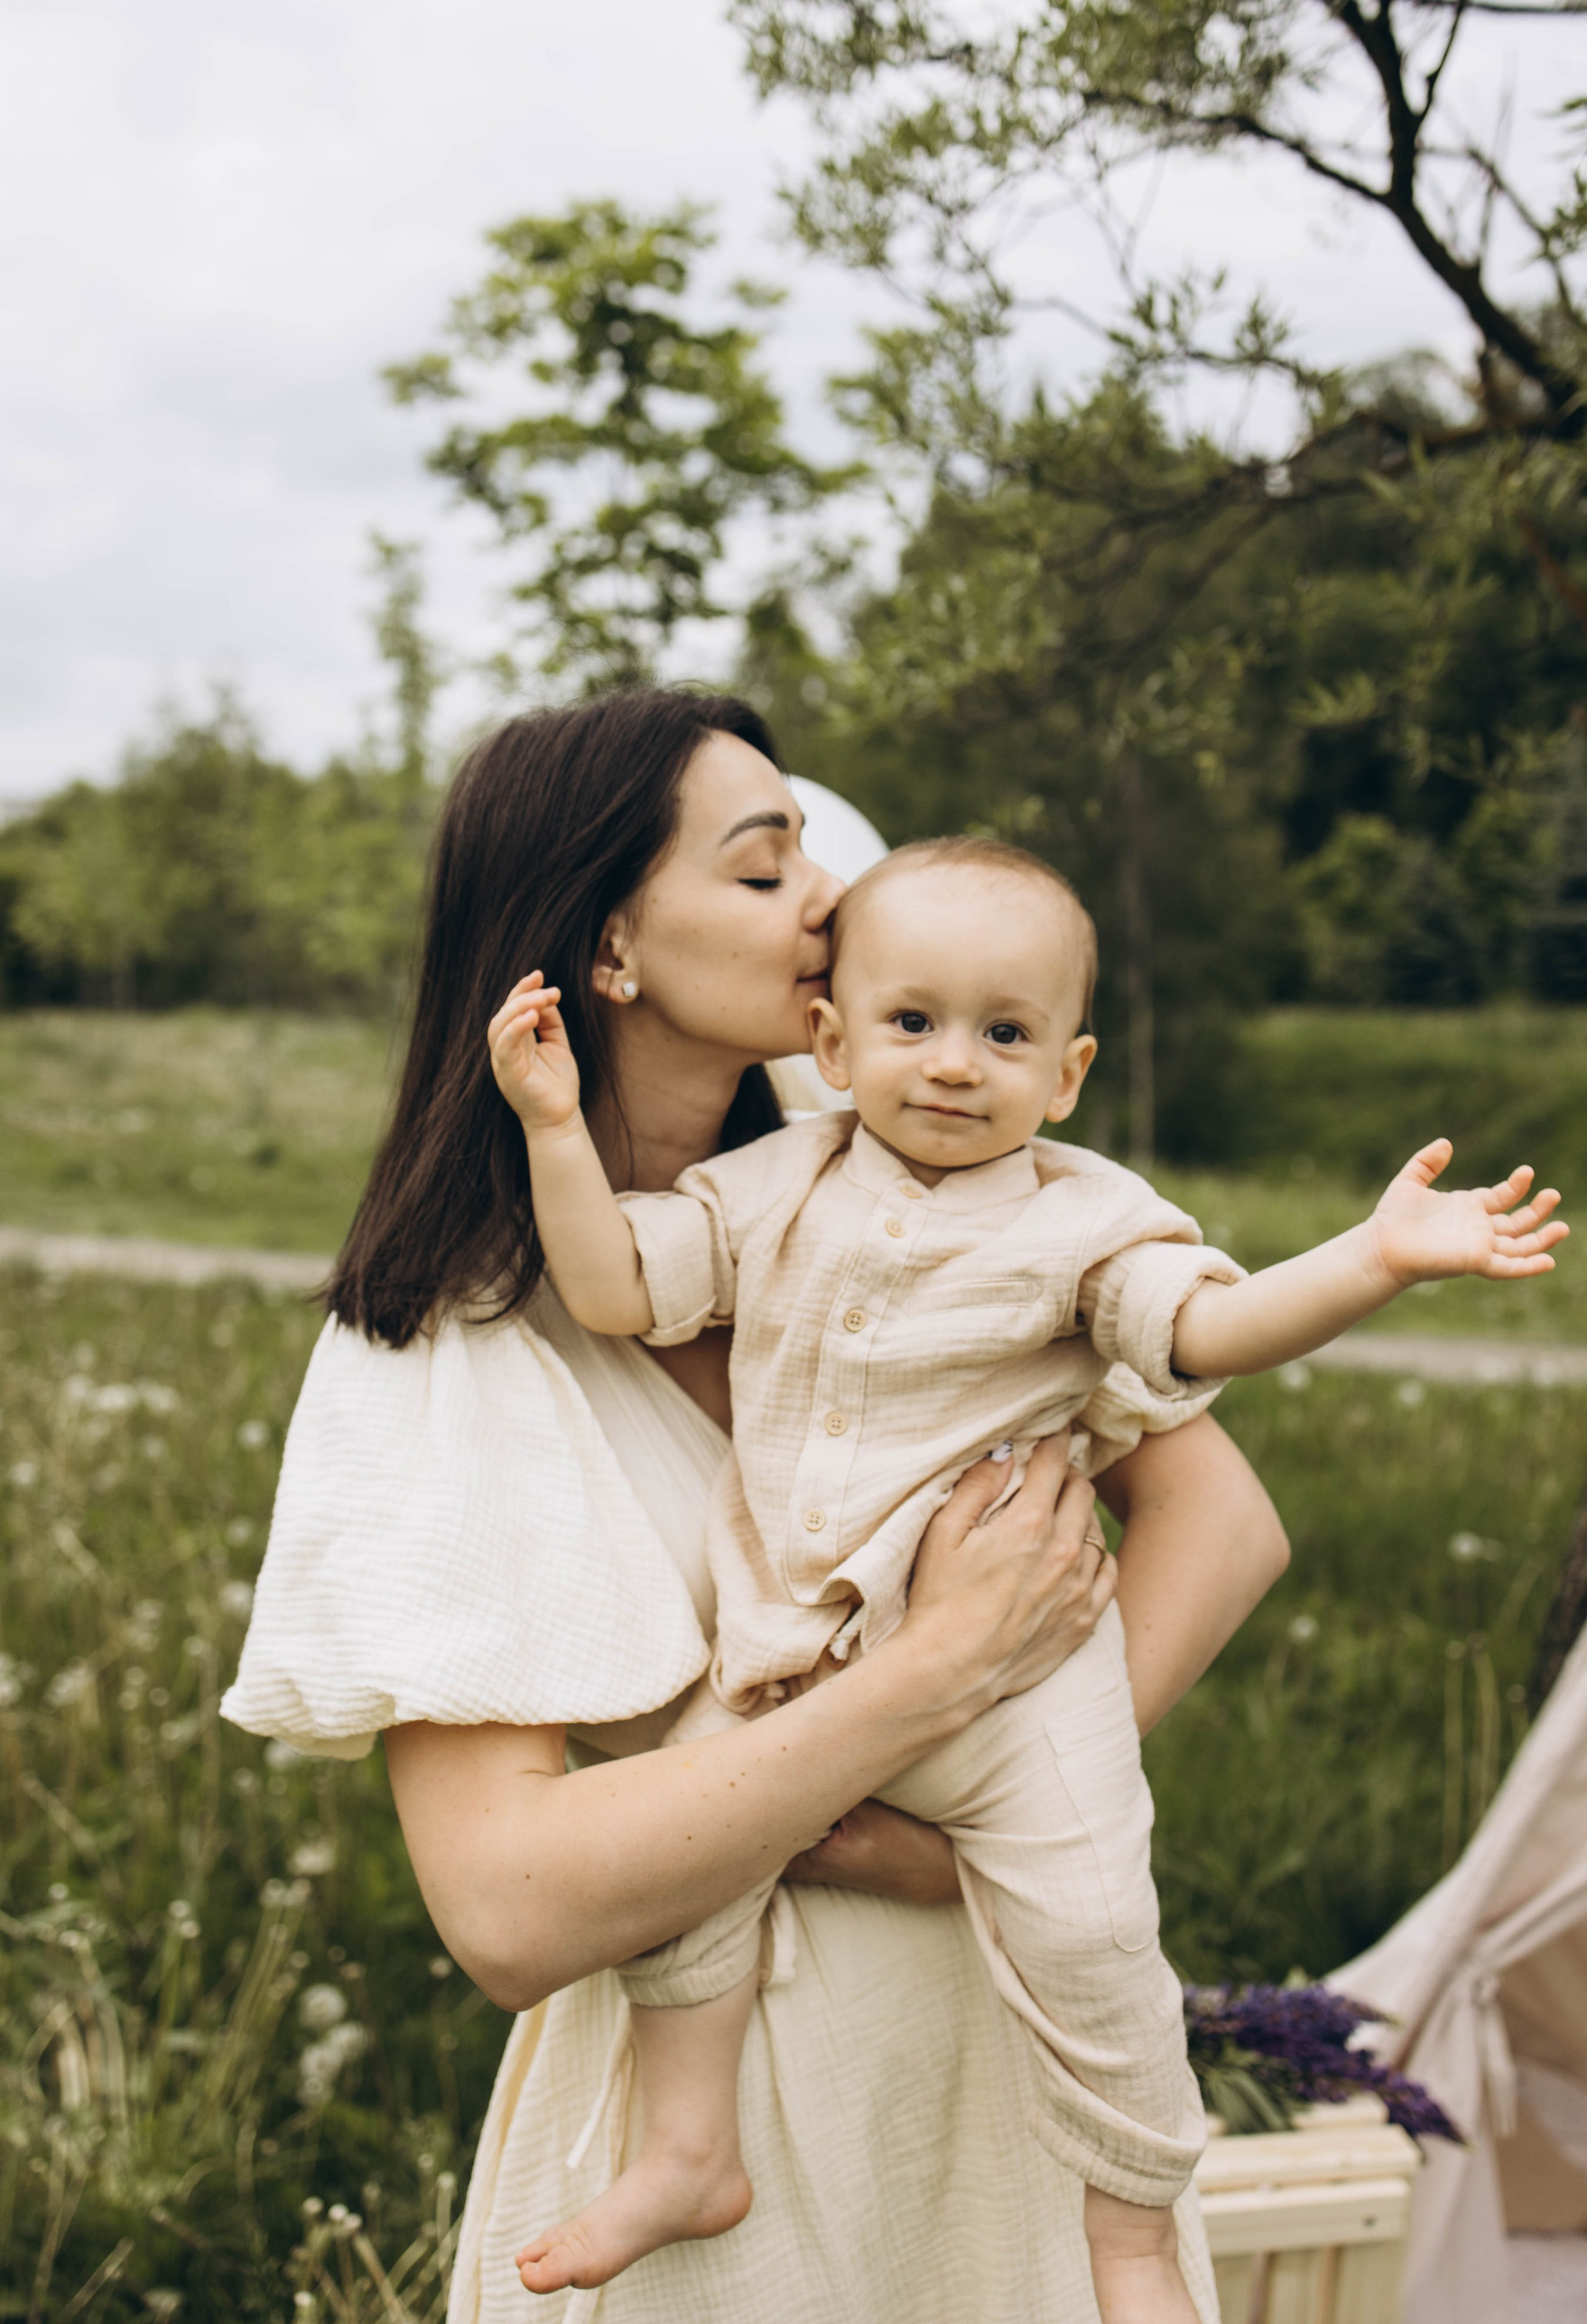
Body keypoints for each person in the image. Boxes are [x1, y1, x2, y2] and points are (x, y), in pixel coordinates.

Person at [223, 689, 1296, 2324]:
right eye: (762, 863)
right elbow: (509, 1910)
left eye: (813, 849)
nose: (825, 900)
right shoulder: (438, 1349)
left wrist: (1005, 1821)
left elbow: (1224, 1525)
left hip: (1004, 2079)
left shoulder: (888, 1204)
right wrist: (923, 1689)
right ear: (610, 952)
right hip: (726, 2140)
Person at [489, 832, 1567, 2318]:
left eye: (1003, 1035)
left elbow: (1207, 1336)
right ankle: (687, 2149)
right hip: (793, 1661)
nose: (951, 1064)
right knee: (691, 1874)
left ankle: (1128, 2234)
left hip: (1017, 1696)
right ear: (832, 1040)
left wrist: (1371, 1260)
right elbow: (611, 1282)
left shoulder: (1080, 1219)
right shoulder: (772, 1187)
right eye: (912, 1023)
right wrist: (552, 1125)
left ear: (1064, 1073)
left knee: (1098, 1937)